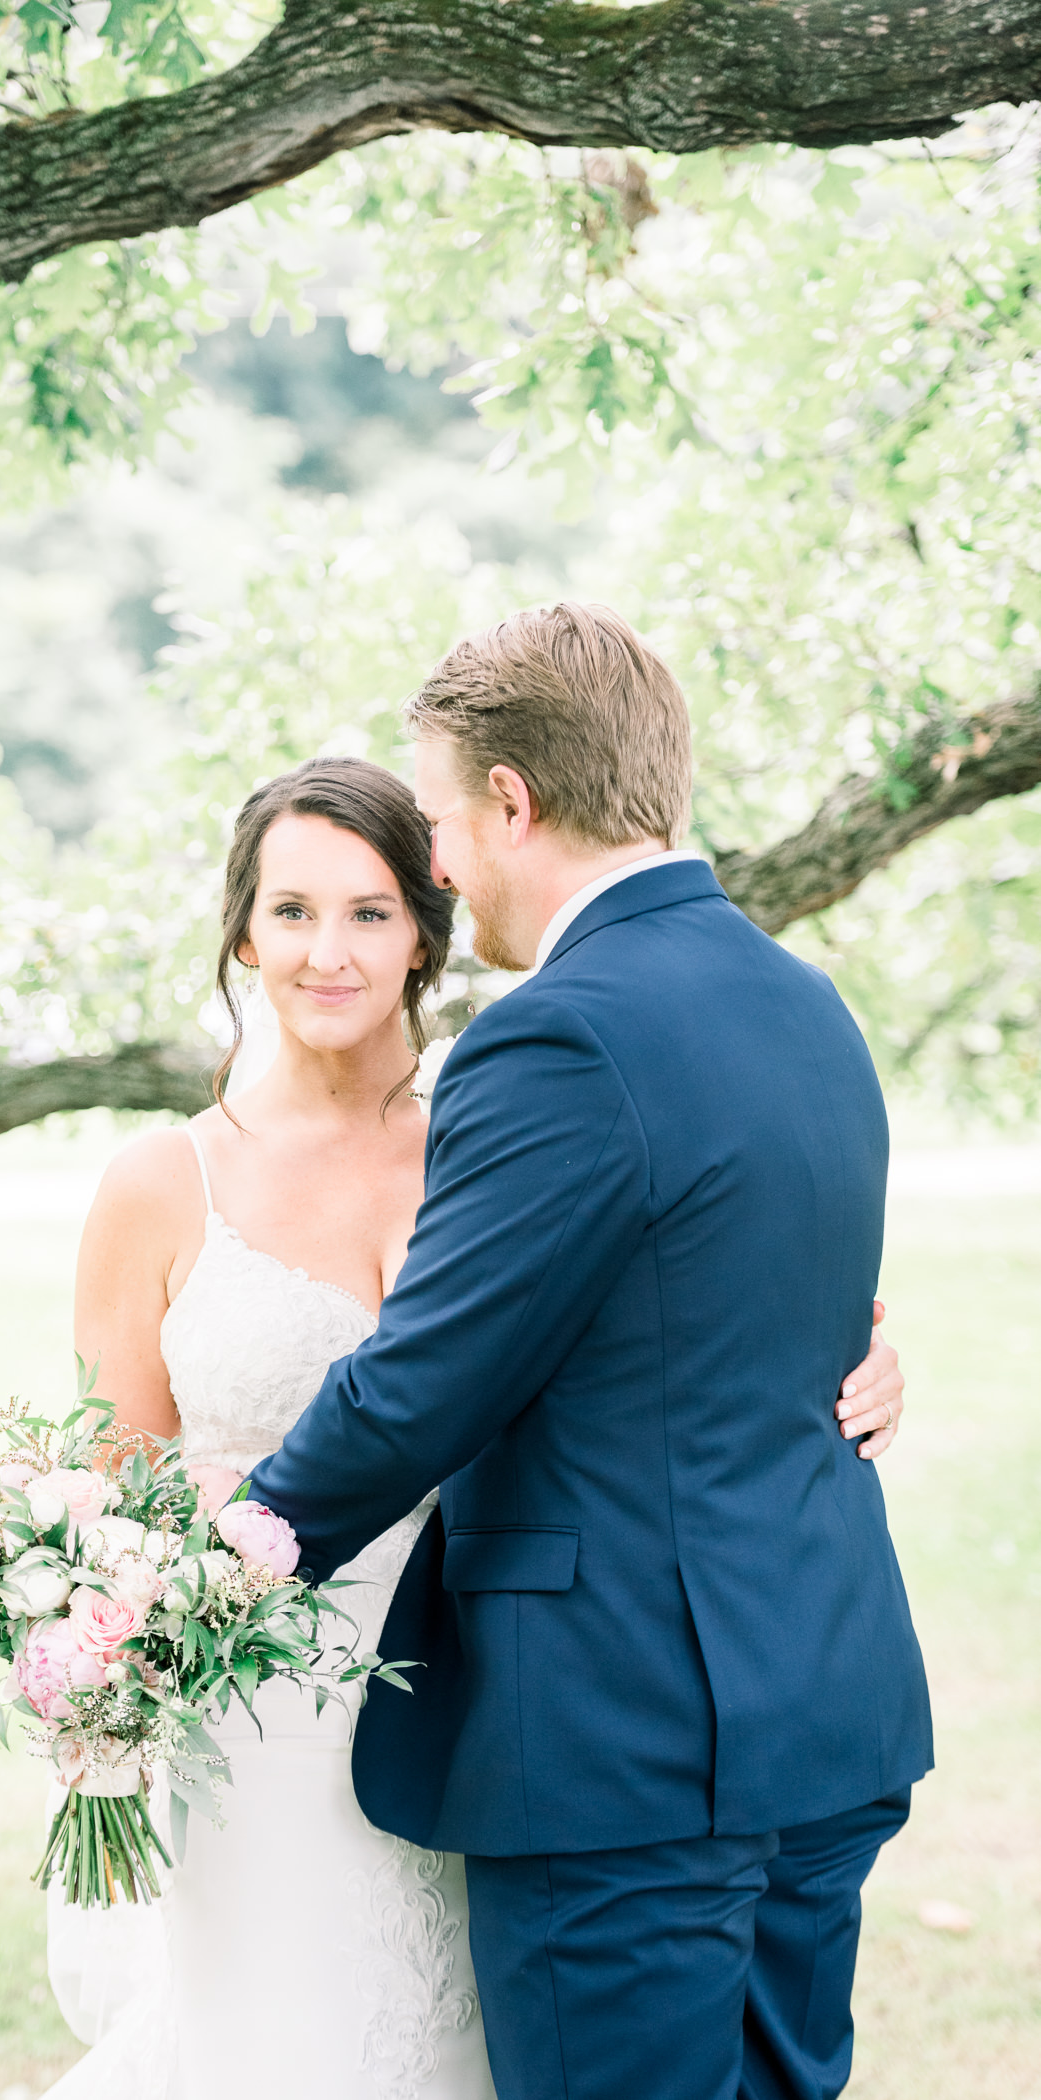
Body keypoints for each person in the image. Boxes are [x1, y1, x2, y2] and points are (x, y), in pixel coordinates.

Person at [50, 722, 910, 2100]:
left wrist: (849, 1361)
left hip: (512, 1688)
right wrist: (113, 1613)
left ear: (423, 929)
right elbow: (113, 1479)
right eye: (290, 911)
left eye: (369, 910)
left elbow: (675, 1306)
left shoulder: (524, 1102)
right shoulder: (159, 1182)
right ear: (240, 938)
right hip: (263, 1706)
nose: (326, 950)